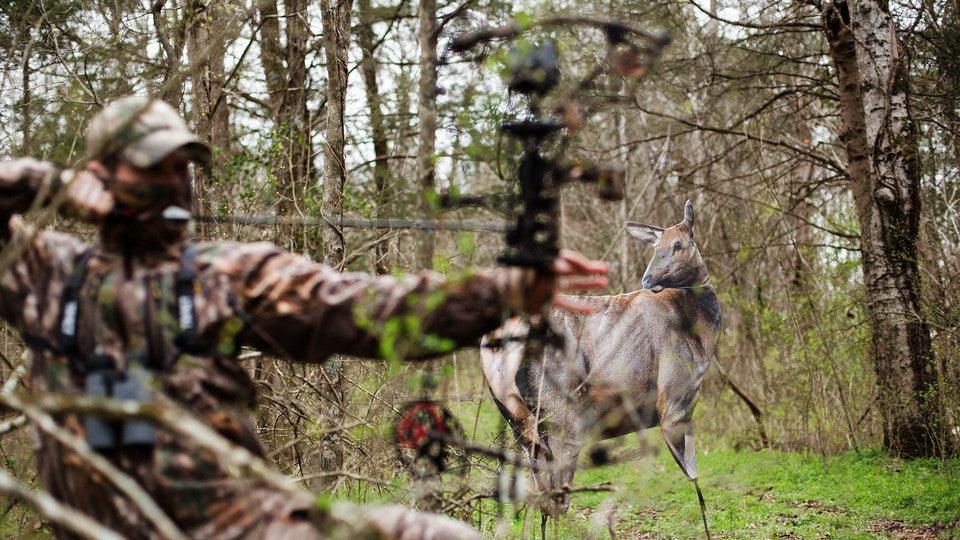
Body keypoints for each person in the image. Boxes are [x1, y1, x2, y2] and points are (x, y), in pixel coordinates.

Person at [0, 95, 608, 539]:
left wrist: (502, 290)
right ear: (100, 174)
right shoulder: (47, 274)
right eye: (150, 166)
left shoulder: (224, 275)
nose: (171, 181)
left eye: (179, 165)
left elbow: (367, 311)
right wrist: (43, 183)